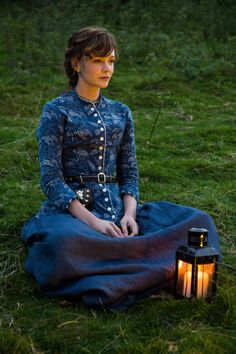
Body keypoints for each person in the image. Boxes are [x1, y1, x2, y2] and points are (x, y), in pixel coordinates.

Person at [21, 26, 221, 310]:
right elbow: (51, 178)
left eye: (111, 61)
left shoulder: (120, 112)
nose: (107, 68)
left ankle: (122, 258)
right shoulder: (57, 110)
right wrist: (93, 221)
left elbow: (129, 171)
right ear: (77, 63)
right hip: (73, 214)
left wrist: (130, 214)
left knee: (199, 222)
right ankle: (140, 262)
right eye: (99, 60)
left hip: (119, 207)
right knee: (65, 244)